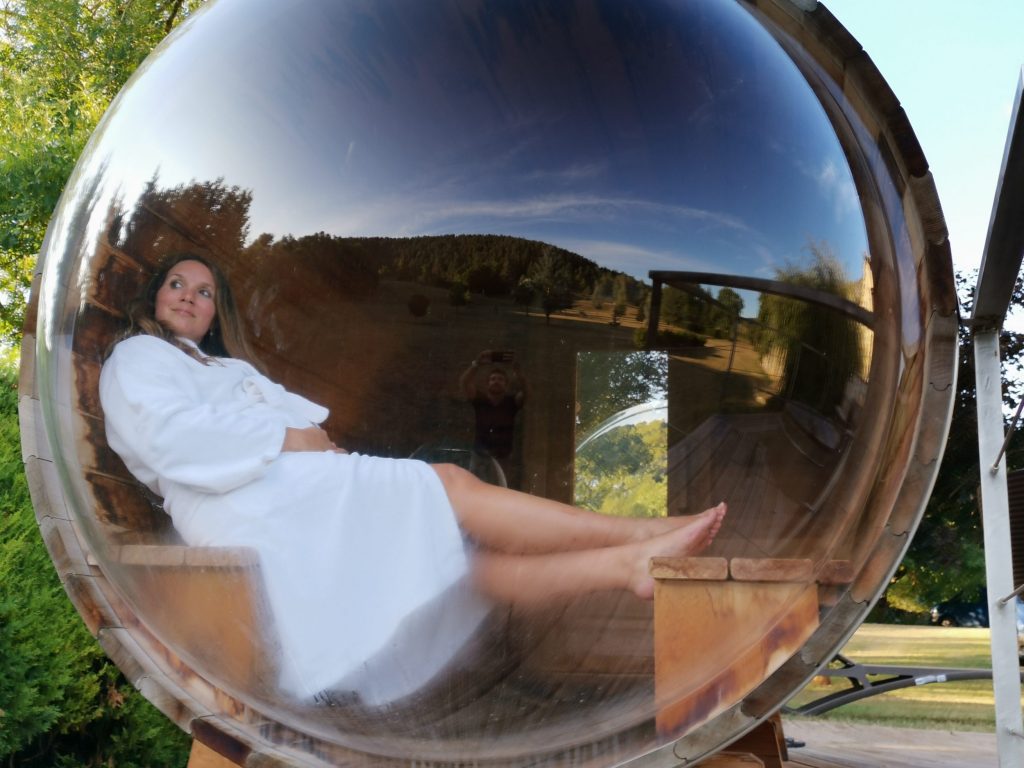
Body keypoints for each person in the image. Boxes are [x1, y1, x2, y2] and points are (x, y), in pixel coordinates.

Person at [99, 253, 726, 706]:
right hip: (240, 508)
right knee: (450, 485)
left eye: (204, 291)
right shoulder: (138, 357)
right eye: (177, 283)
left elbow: (303, 430)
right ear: (155, 296)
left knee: (464, 574)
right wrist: (293, 440)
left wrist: (315, 447)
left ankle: (629, 566)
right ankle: (640, 531)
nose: (188, 295)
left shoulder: (223, 367)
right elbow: (168, 437)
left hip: (285, 497)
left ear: (214, 314)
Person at [459, 351, 528, 486]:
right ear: (487, 384)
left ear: (506, 385)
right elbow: (464, 383)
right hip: (479, 455)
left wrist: (518, 372)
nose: (496, 382)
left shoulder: (511, 402)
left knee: (501, 489)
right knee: (474, 487)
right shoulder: (480, 400)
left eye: (500, 379)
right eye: (493, 379)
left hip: (503, 456)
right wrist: (476, 364)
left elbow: (527, 393)